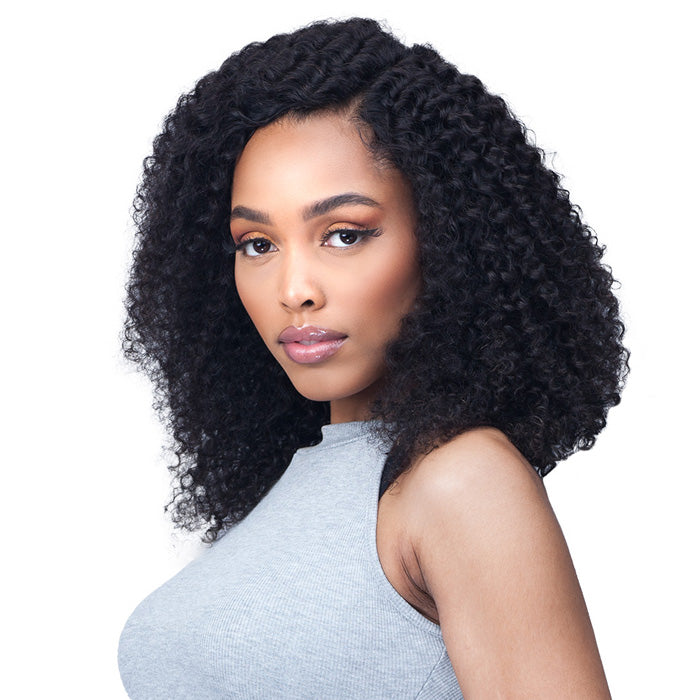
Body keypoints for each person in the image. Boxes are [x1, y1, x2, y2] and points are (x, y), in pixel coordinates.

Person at [118, 17, 628, 699]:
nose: (294, 290)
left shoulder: (461, 479)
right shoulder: (299, 487)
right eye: (257, 245)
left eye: (344, 234)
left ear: (446, 236)